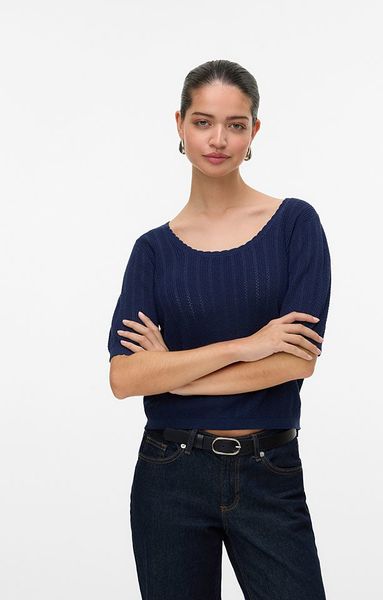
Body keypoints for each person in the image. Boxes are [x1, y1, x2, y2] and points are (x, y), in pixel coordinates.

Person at [107, 59, 332, 600]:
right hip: (169, 474)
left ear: (254, 131)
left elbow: (296, 361)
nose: (218, 139)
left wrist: (176, 377)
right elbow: (125, 377)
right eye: (203, 122)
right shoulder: (152, 251)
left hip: (268, 470)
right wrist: (247, 346)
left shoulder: (294, 224)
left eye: (235, 124)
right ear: (180, 125)